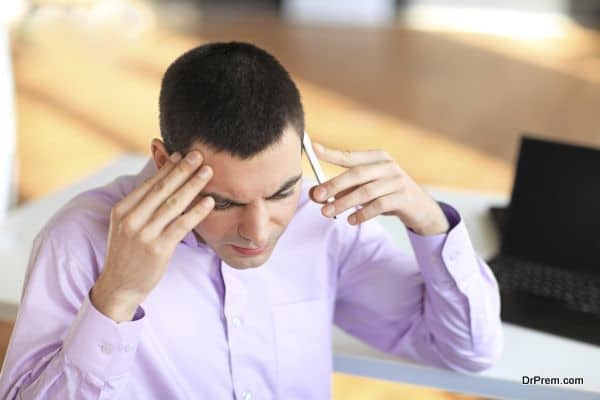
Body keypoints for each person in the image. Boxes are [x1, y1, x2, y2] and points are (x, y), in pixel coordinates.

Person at [0, 42, 502, 399]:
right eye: (224, 203)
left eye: (282, 191)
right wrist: (116, 298)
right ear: (162, 161)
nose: (259, 232)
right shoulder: (79, 242)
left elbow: (468, 351)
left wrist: (430, 223)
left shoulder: (322, 219)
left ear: (302, 151)